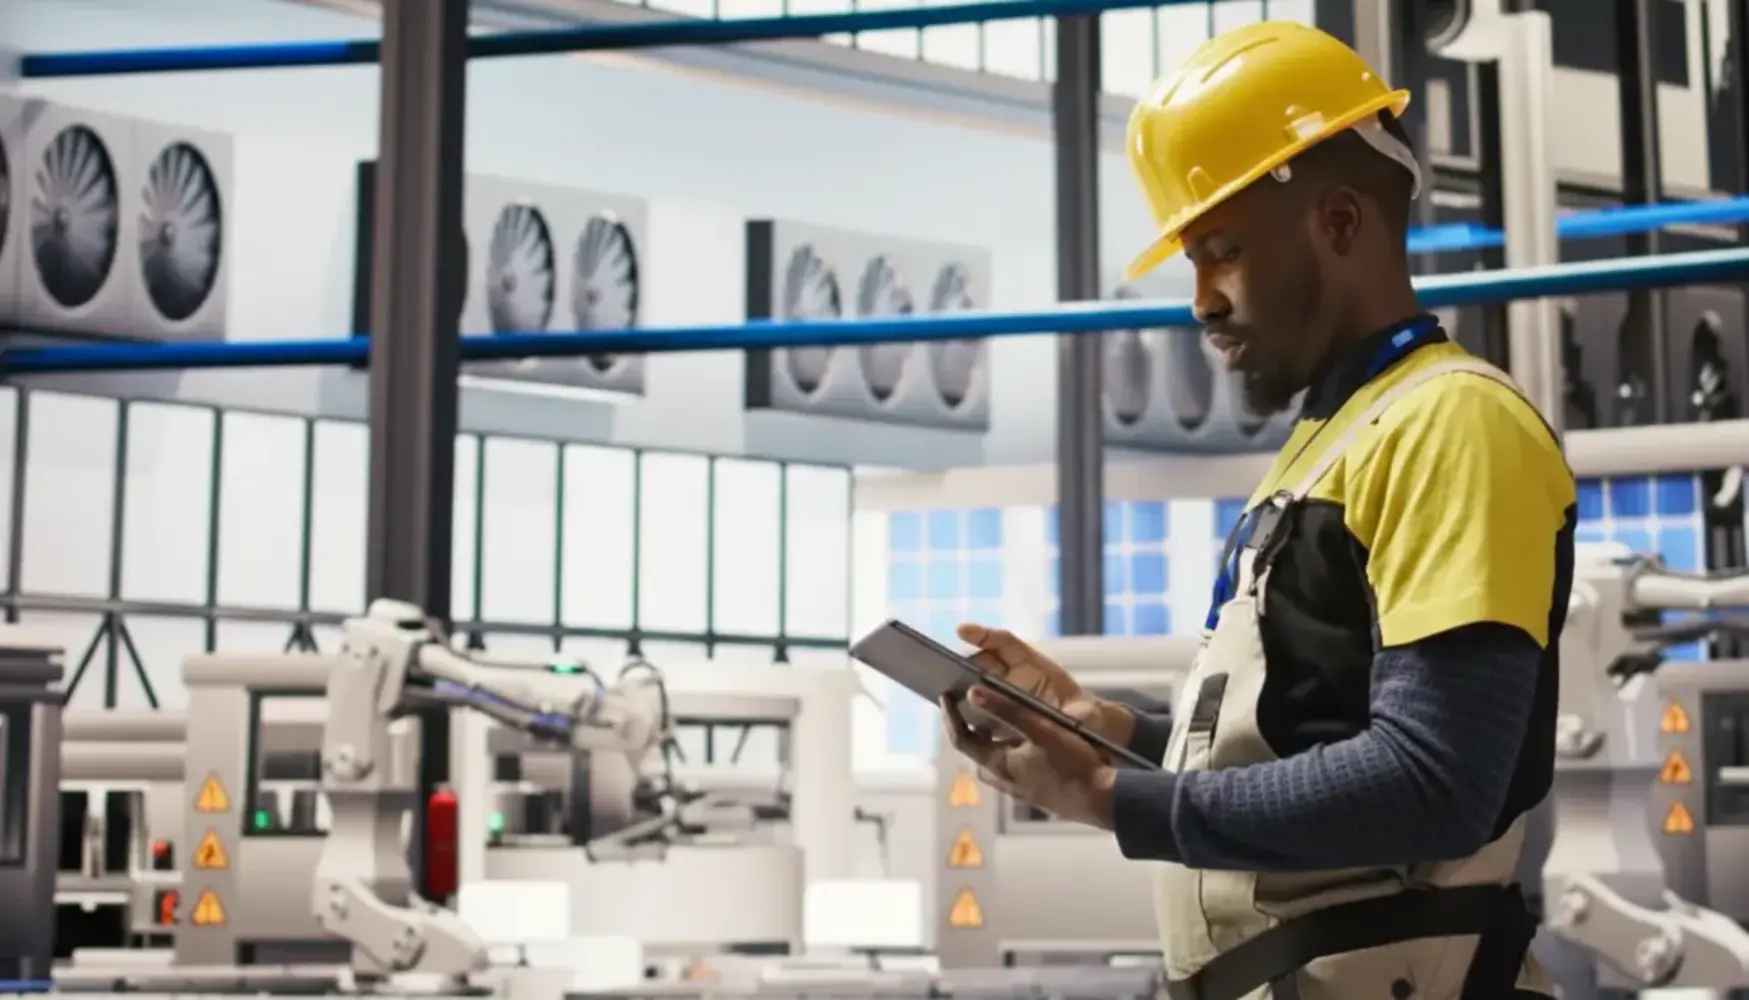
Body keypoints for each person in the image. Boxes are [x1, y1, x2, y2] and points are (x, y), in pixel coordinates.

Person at [939, 21, 1575, 1000]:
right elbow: (1298, 733)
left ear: (1341, 223)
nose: (1202, 300)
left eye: (1223, 252)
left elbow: (1435, 781)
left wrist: (1120, 799)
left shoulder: (1454, 424)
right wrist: (1107, 729)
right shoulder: (1331, 442)